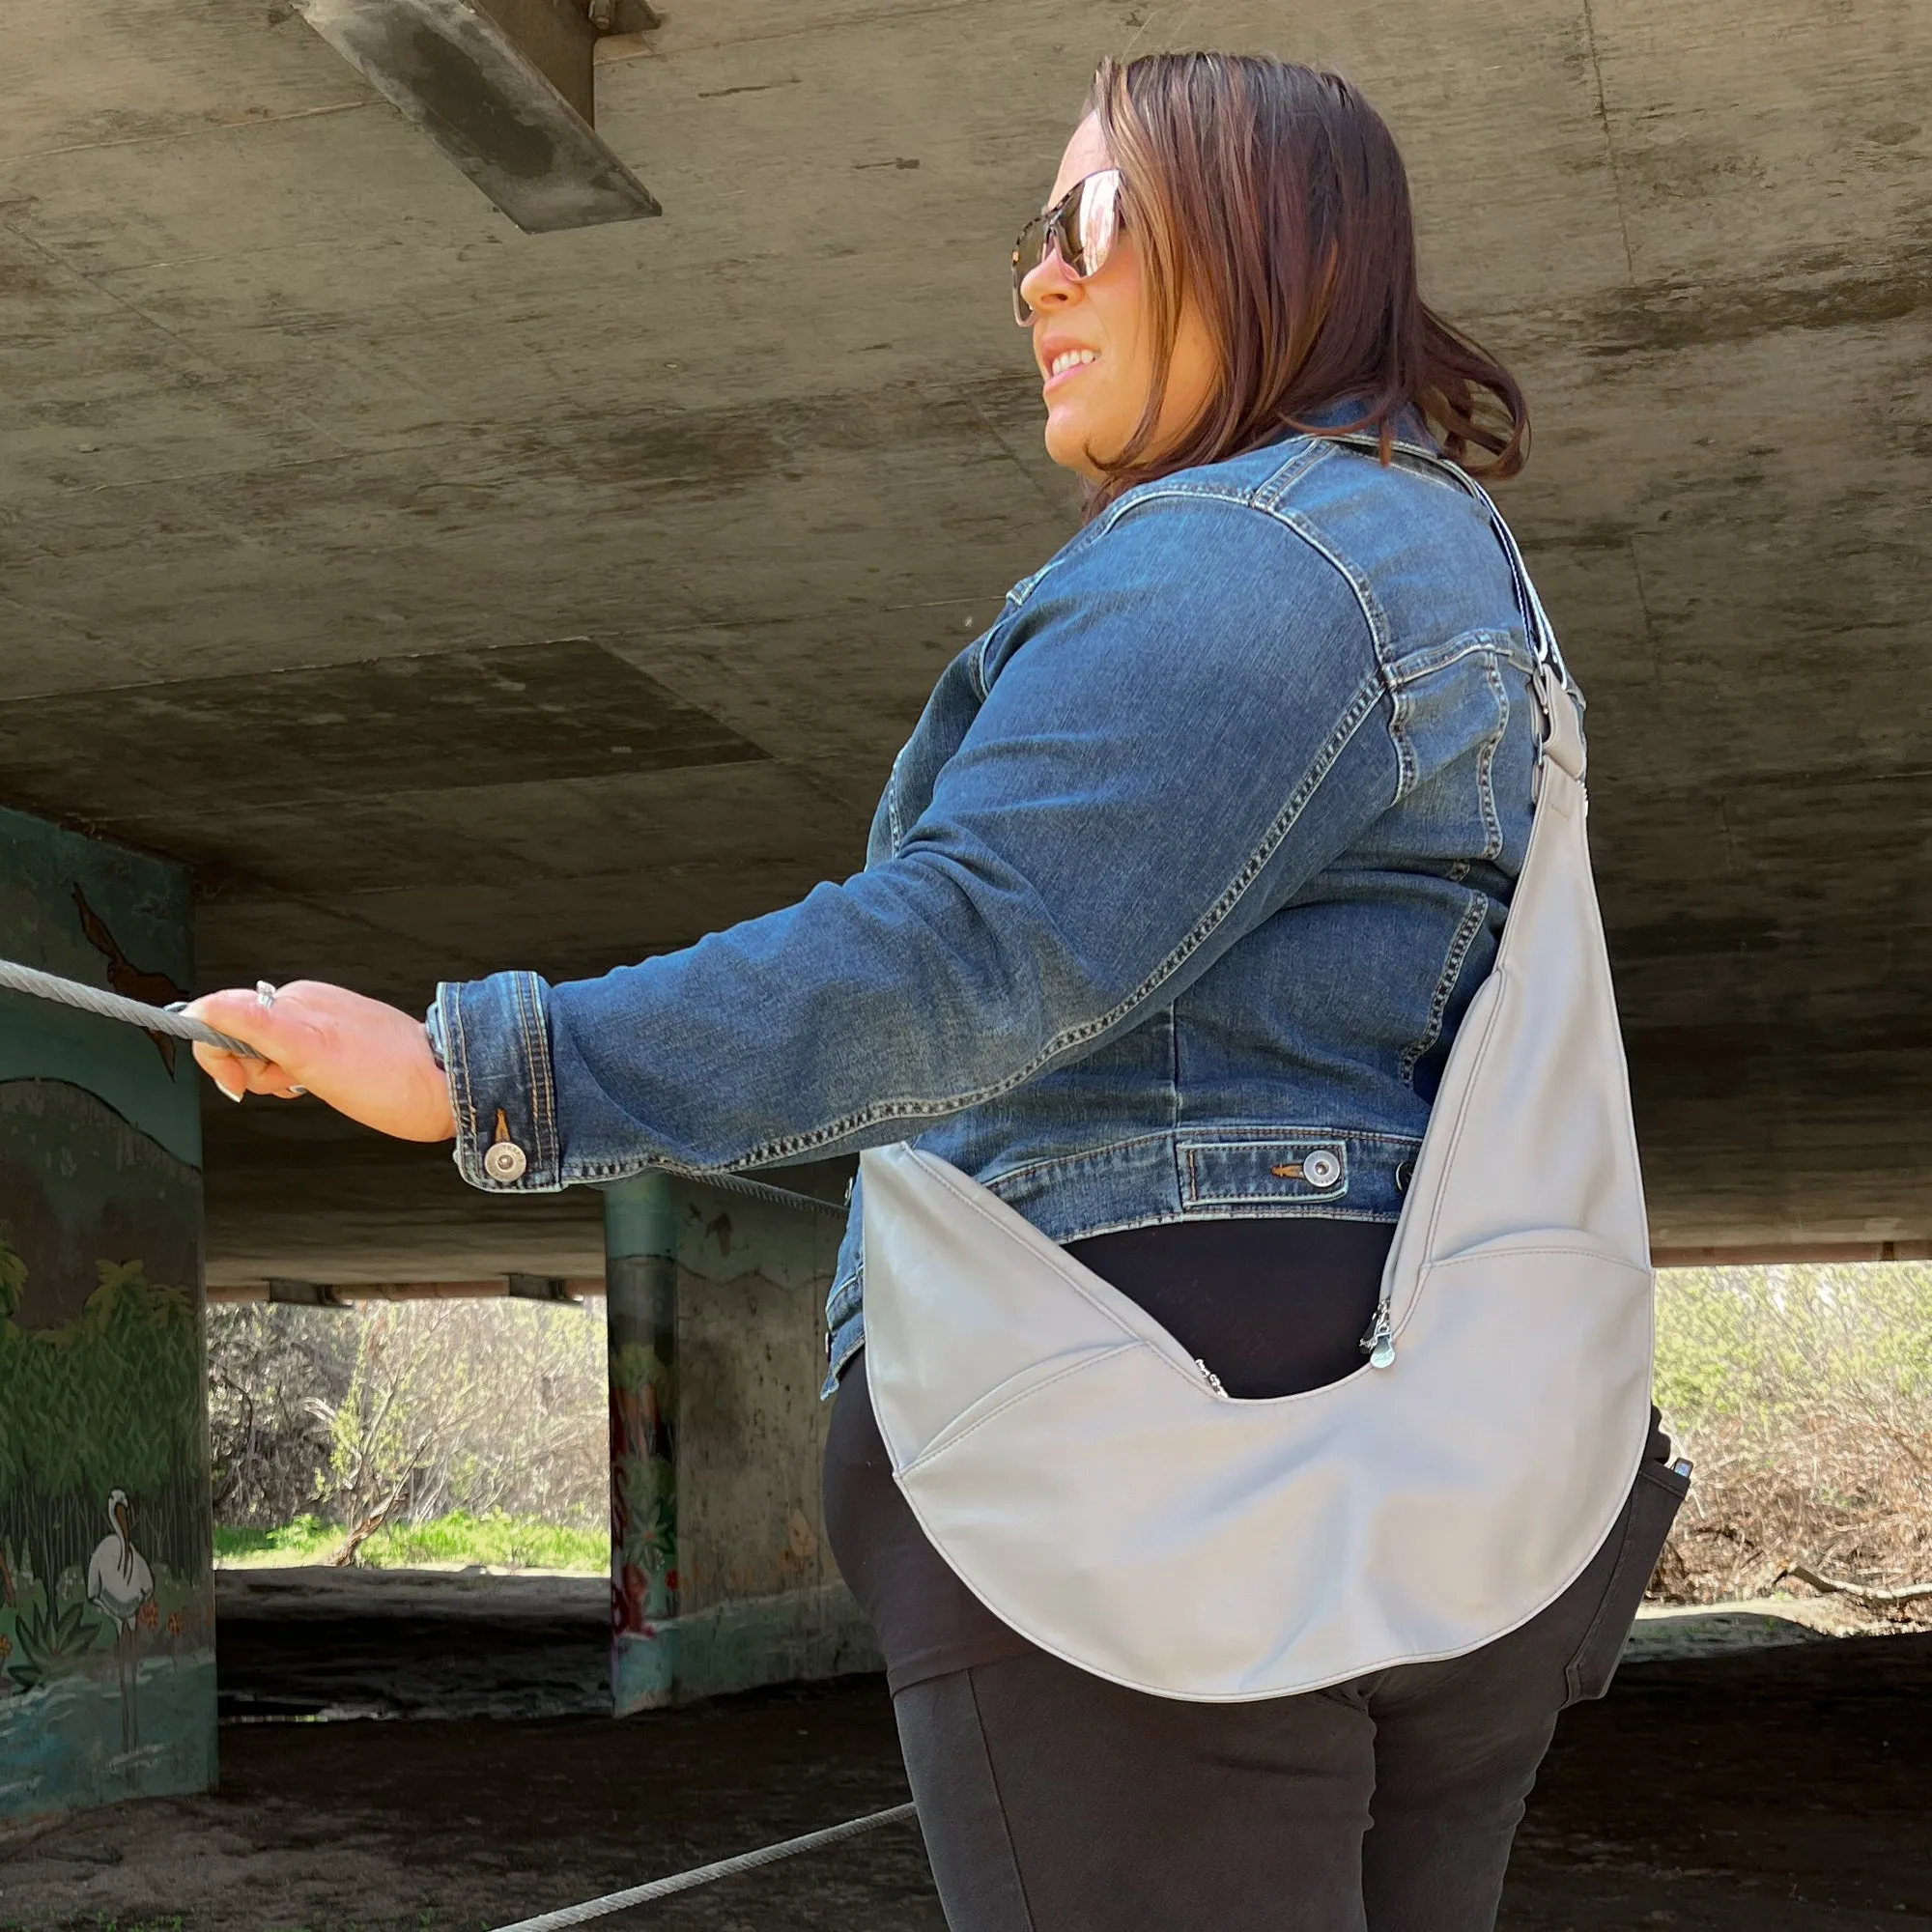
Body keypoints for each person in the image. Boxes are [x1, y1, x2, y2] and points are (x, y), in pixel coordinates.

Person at [190, 52, 1682, 1932]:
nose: (1035, 278)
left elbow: (972, 948)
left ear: (1260, 237)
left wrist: (478, 1067)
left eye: (1090, 222)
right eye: (1029, 238)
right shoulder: (1444, 574)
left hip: (1159, 1434)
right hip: (1418, 1448)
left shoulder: (1261, 547)